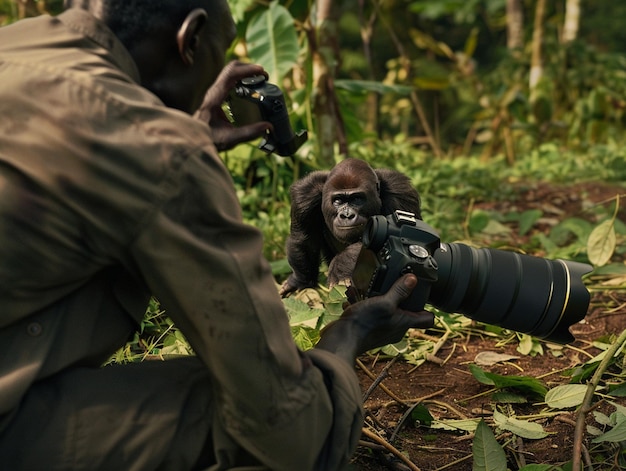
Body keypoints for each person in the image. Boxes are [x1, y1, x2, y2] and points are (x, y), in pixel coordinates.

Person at [0, 1, 434, 470]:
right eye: (218, 55)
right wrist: (348, 335)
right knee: (276, 422)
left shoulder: (14, 45)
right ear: (190, 39)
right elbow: (288, 421)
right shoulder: (160, 148)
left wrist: (180, 131)